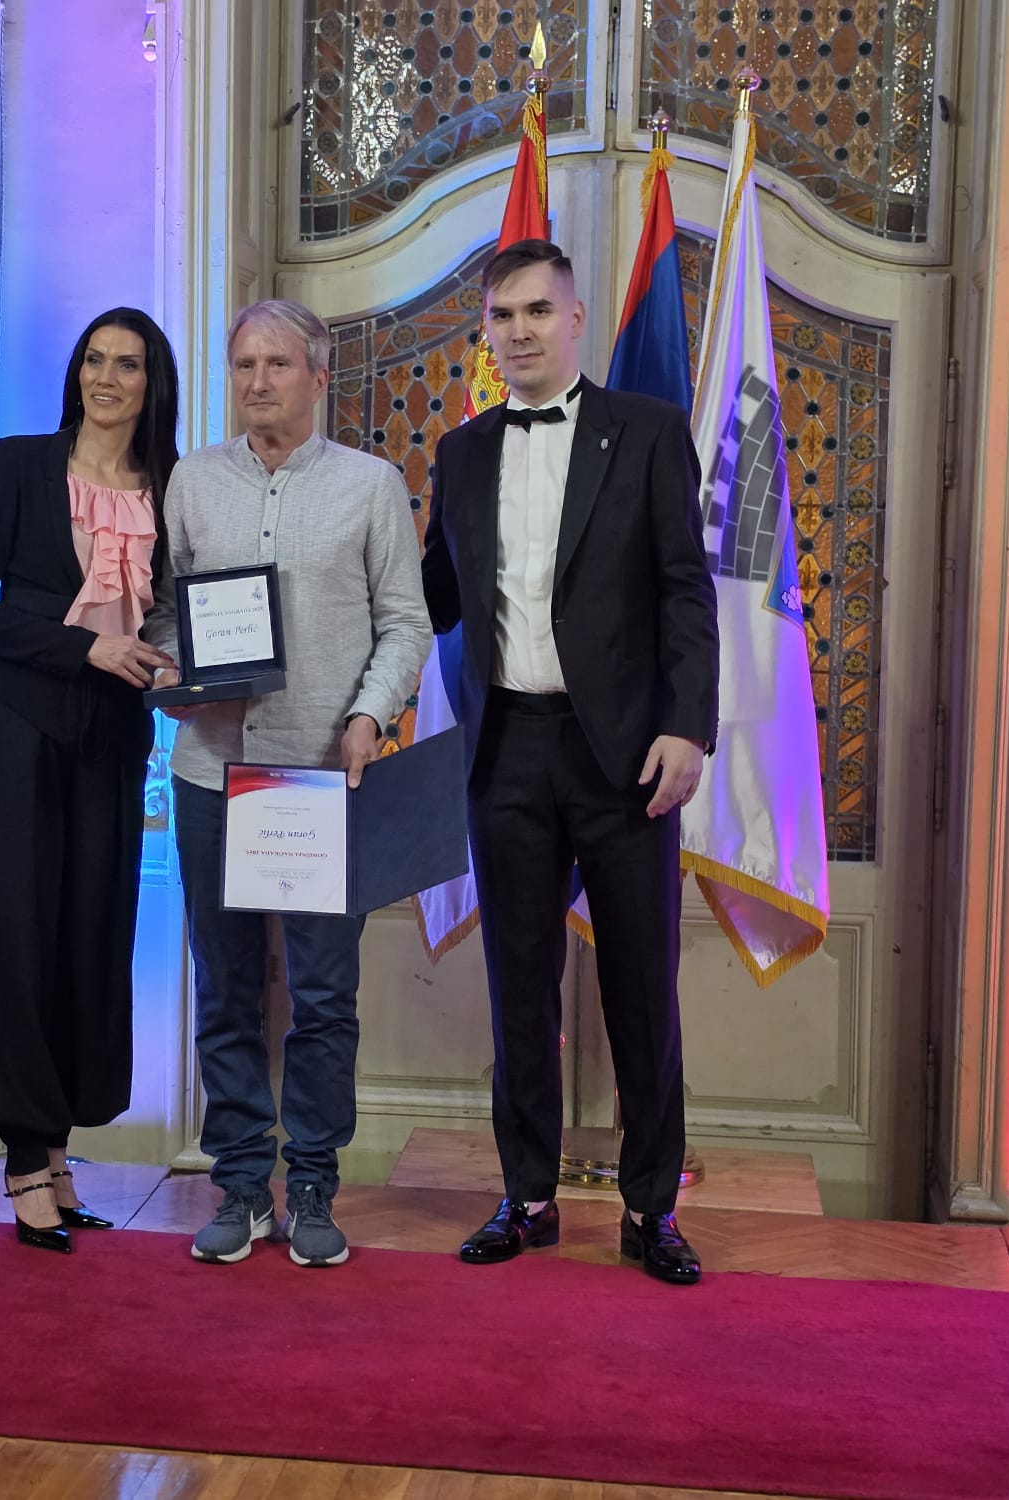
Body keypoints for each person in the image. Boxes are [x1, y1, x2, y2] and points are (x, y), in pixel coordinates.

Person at [421, 240, 720, 1284]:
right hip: (506, 749)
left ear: (576, 317)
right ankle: (527, 1197)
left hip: (626, 756)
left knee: (641, 991)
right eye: (501, 316)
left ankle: (650, 1210)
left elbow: (685, 591)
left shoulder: (647, 431)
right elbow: (432, 597)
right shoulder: (461, 453)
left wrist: (687, 728)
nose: (519, 333)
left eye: (537, 311)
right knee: (519, 989)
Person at [146, 299, 431, 1268]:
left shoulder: (369, 486)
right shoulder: (191, 482)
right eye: (243, 365)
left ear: (317, 375)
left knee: (321, 996)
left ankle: (311, 1183)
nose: (258, 381)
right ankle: (239, 1184)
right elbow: (164, 615)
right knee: (224, 990)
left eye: (277, 364)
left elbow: (406, 623)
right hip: (209, 774)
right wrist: (175, 674)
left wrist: (369, 717)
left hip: (317, 780)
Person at [0, 308, 180, 1253]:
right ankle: (24, 1161)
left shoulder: (171, 487)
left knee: (87, 938)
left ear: (153, 383)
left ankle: (60, 1154)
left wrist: (186, 663)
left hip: (114, 740)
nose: (105, 378)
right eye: (93, 360)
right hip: (17, 732)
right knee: (16, 937)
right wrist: (85, 648)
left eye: (127, 364)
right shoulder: (20, 464)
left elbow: (175, 615)